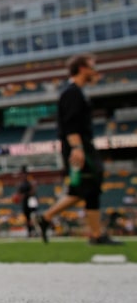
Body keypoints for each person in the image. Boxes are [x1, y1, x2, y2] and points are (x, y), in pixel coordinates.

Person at [37, 53, 122, 245]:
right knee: (87, 186)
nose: (95, 72)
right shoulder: (72, 92)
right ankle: (94, 234)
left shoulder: (77, 91)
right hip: (79, 146)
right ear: (82, 69)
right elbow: (70, 124)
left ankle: (49, 218)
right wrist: (77, 147)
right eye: (92, 67)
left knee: (85, 189)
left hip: (81, 145)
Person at [16, 166, 38, 238]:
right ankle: (30, 231)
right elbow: (18, 192)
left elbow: (33, 191)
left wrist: (24, 195)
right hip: (25, 201)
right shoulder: (21, 182)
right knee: (27, 217)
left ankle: (35, 230)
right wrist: (18, 197)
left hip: (31, 200)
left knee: (33, 216)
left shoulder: (30, 181)